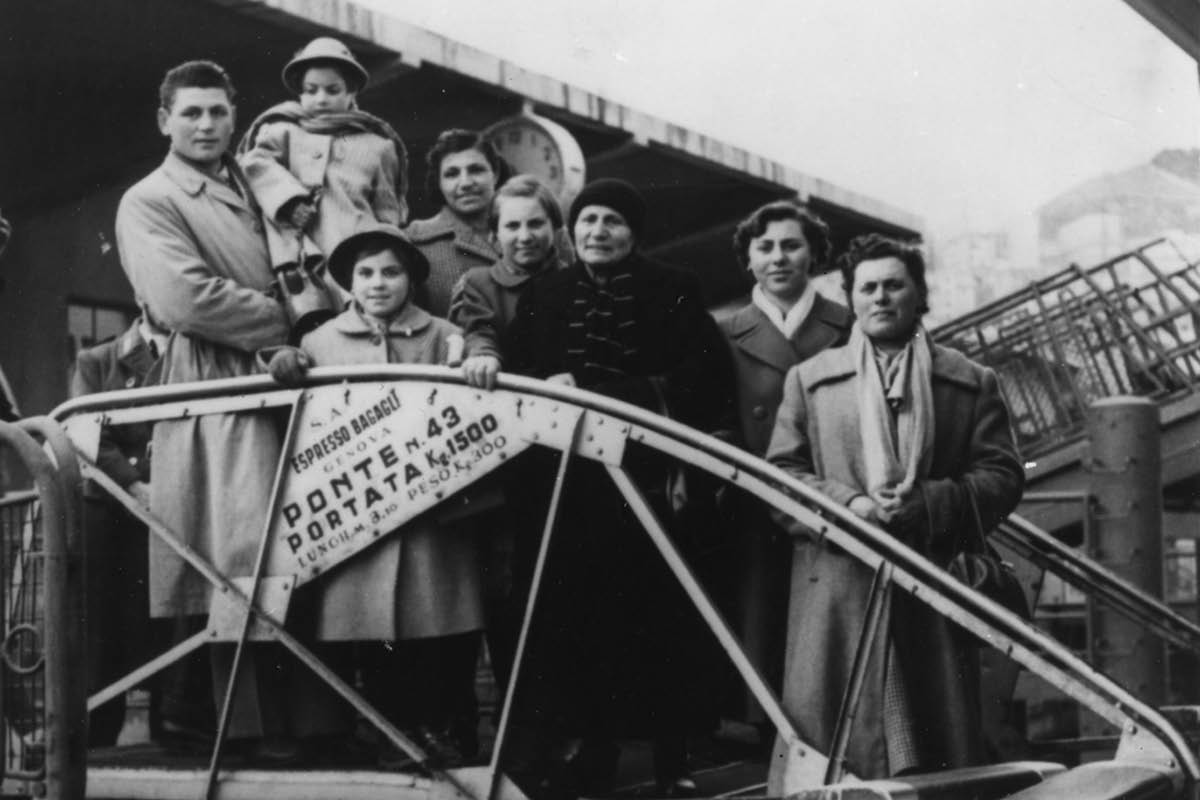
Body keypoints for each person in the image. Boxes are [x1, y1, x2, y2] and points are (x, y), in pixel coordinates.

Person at [114, 60, 327, 760]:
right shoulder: (149, 199)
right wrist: (295, 319)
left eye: (216, 112)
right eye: (191, 112)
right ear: (164, 120)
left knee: (308, 541)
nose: (205, 125)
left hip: (294, 374)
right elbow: (185, 299)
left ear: (236, 116)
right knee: (237, 550)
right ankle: (250, 728)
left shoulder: (259, 181)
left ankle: (315, 720)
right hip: (219, 378)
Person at [765, 234, 1024, 788]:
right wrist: (850, 505)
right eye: (868, 287)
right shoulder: (809, 381)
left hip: (931, 584)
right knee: (841, 748)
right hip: (839, 591)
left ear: (918, 295)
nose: (881, 297)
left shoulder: (970, 381)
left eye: (894, 285)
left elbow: (1003, 476)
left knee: (937, 750)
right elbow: (780, 477)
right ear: (851, 298)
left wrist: (929, 501)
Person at [507, 178, 736, 797]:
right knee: (585, 618)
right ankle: (596, 749)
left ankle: (672, 758)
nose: (597, 232)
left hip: (649, 479)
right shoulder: (545, 294)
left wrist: (613, 393)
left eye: (611, 221)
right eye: (587, 221)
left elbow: (702, 373)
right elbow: (518, 370)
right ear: (570, 231)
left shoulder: (673, 288)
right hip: (573, 485)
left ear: (634, 232)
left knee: (660, 614)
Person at [266, 222, 481, 769]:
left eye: (391, 272)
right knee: (369, 630)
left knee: (435, 629)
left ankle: (442, 731)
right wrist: (282, 364)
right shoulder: (320, 342)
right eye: (365, 273)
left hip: (431, 508)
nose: (378, 283)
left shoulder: (440, 334)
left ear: (410, 279)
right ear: (347, 283)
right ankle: (385, 734)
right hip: (355, 512)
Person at [717, 201, 851, 728]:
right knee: (766, 611)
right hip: (758, 496)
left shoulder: (846, 325)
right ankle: (766, 725)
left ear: (814, 254)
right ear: (748, 258)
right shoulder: (725, 334)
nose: (778, 258)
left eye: (792, 246)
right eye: (765, 247)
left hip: (834, 493)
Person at [238, 37, 408, 275]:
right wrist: (289, 202)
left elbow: (387, 214)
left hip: (358, 260)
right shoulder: (282, 131)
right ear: (299, 92)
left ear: (351, 92)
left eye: (333, 90)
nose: (321, 99)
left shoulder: (379, 146)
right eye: (311, 90)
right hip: (298, 258)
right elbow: (255, 164)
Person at [407, 129, 505, 317]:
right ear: (439, 183)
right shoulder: (417, 240)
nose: (466, 183)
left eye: (476, 170)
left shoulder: (528, 229)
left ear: (496, 173)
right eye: (452, 174)